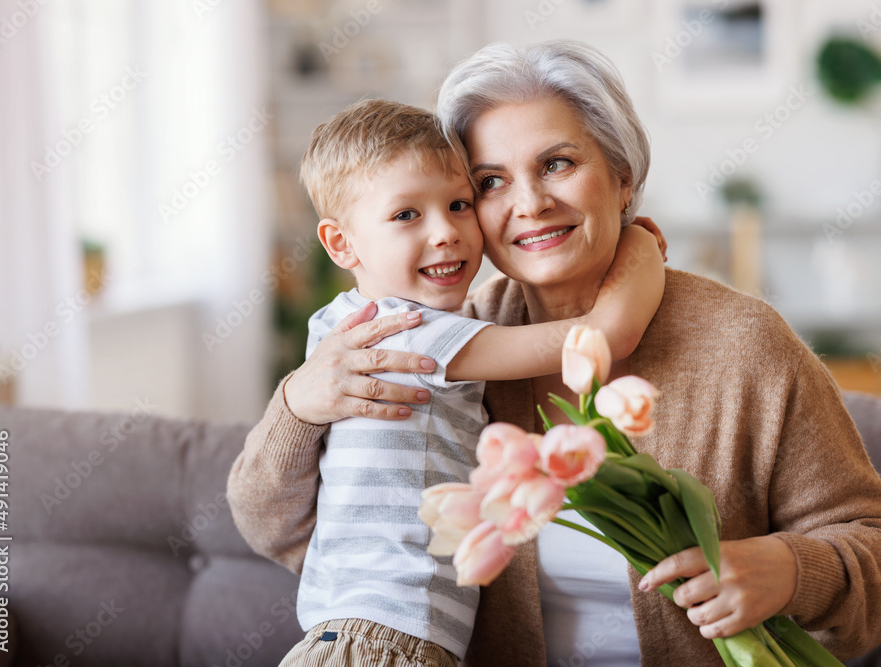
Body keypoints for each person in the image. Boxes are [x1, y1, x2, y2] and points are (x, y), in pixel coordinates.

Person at [228, 42, 881, 666]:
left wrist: (790, 569)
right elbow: (274, 526)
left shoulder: (745, 344)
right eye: (490, 182)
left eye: (557, 163)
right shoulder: (442, 352)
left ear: (621, 177)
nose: (528, 203)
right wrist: (296, 405)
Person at [266, 98, 665, 667]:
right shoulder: (410, 334)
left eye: (458, 204)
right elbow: (601, 338)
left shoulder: (340, 325)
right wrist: (640, 247)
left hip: (360, 636)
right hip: (384, 642)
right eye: (406, 215)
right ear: (340, 244)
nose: (447, 232)